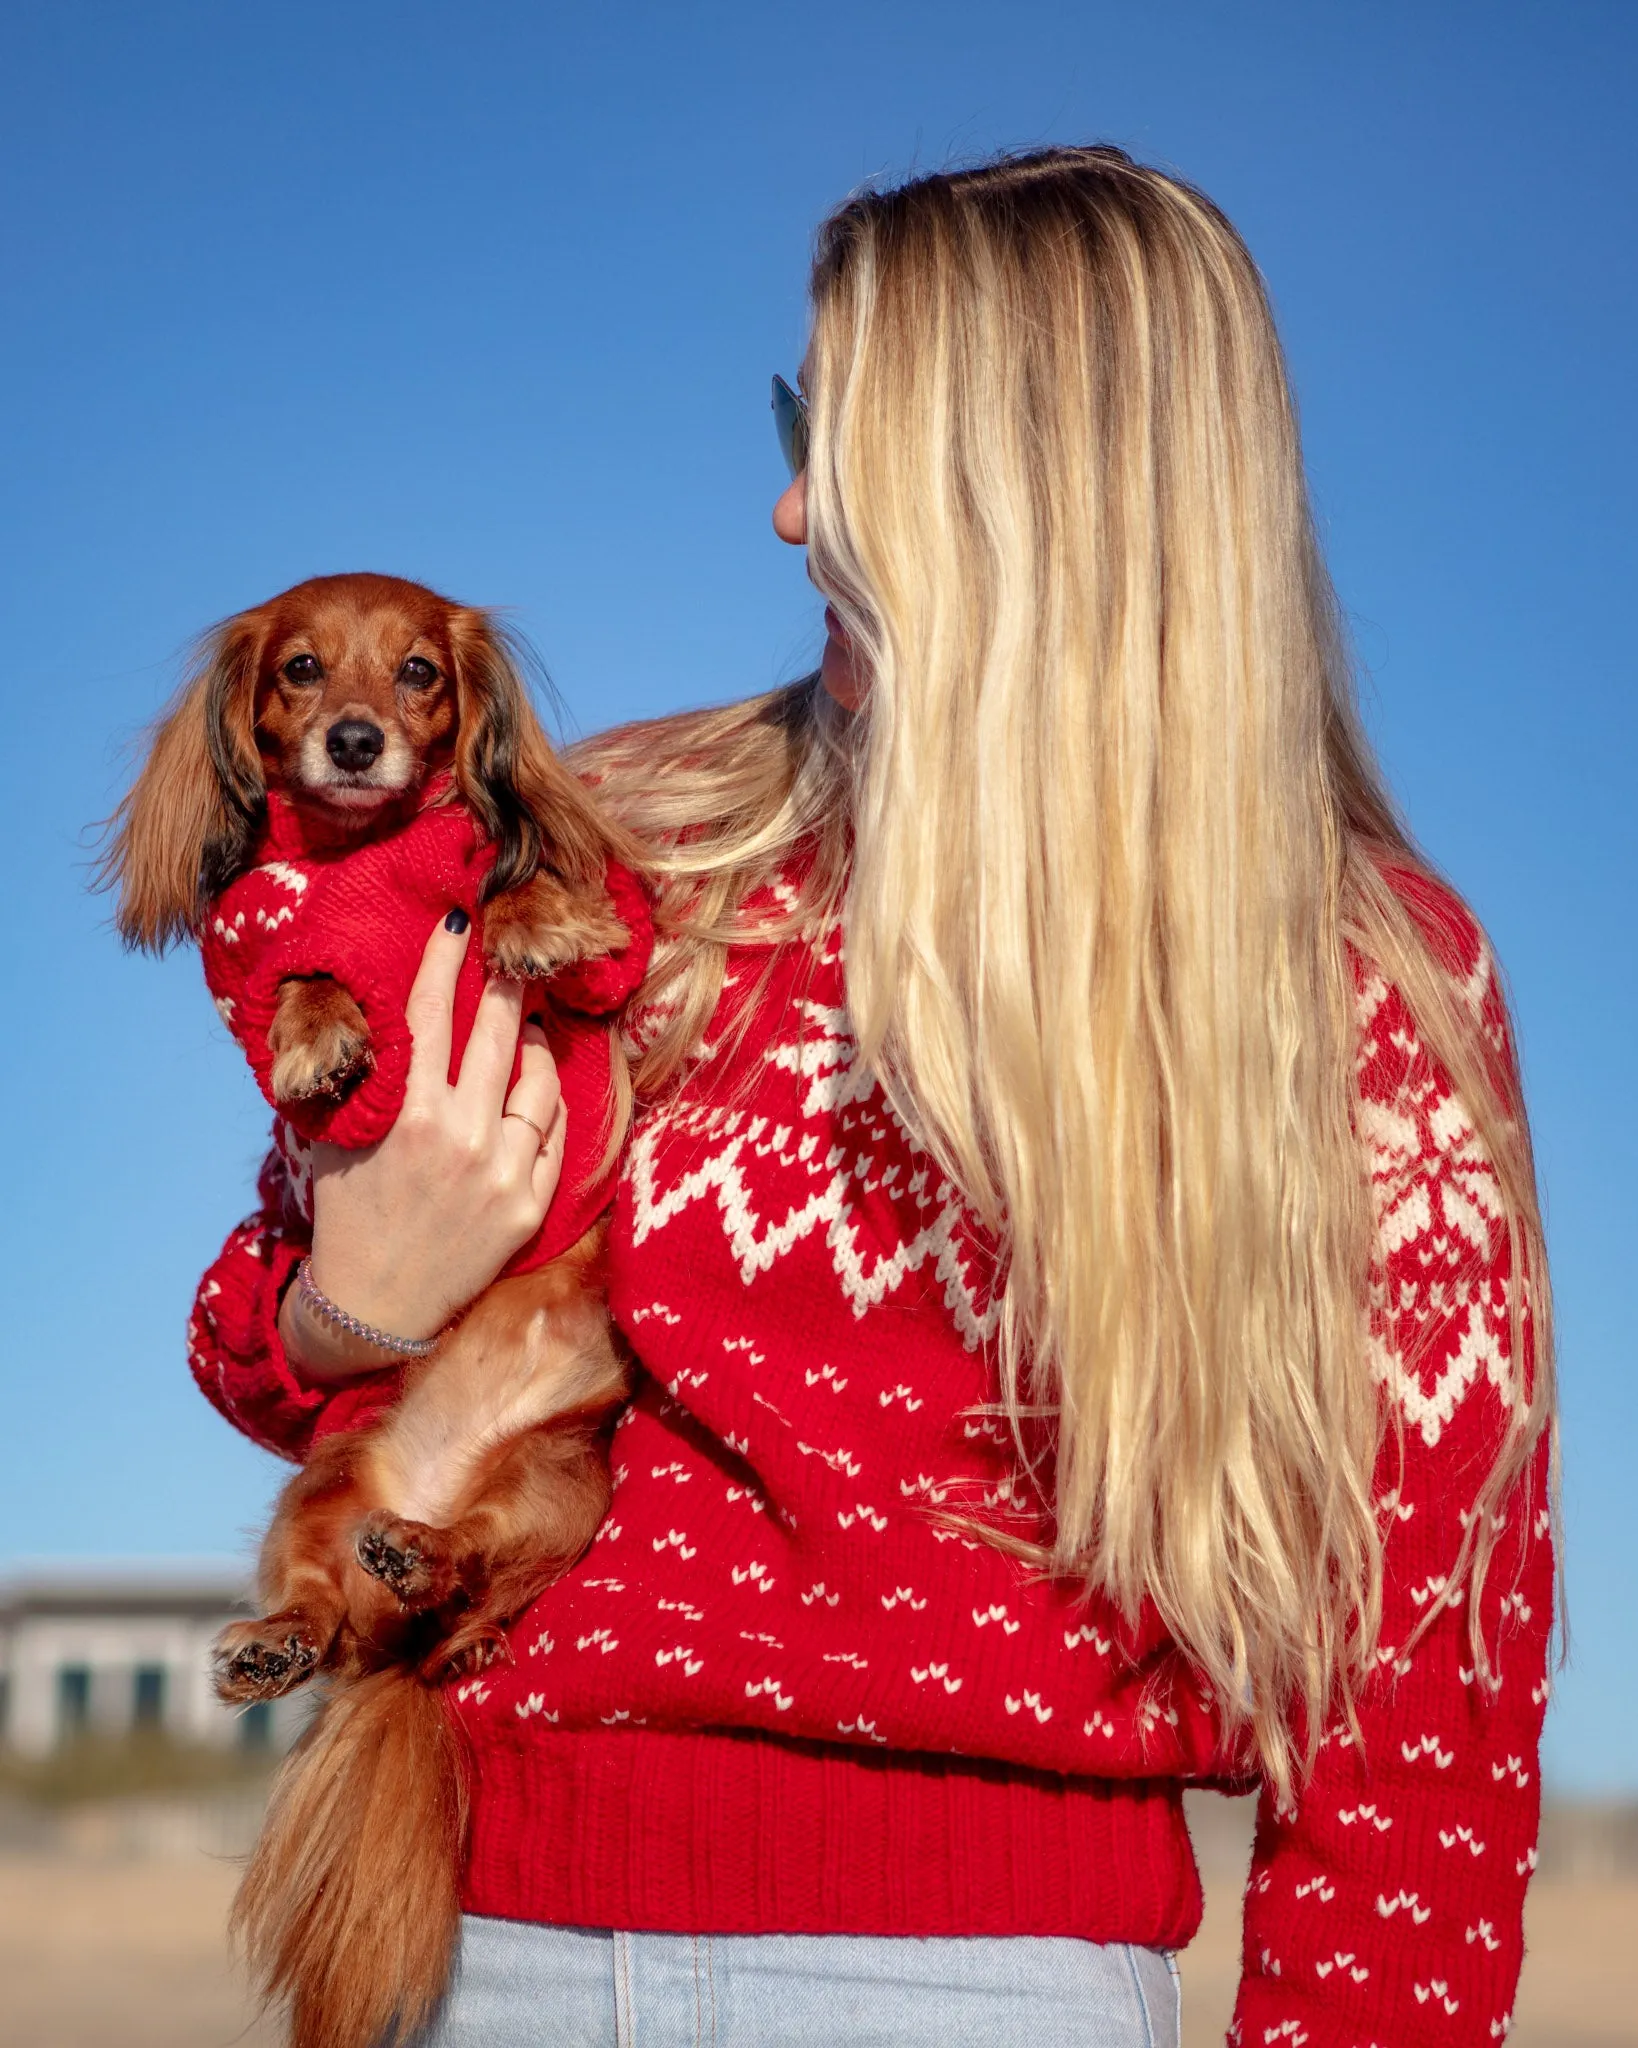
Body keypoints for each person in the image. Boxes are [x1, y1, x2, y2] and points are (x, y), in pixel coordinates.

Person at [190, 147, 1555, 2047]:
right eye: (789, 423)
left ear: (1057, 492)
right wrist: (354, 1298)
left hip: (975, 1983)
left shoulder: (1351, 978)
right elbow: (260, 1350)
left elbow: (1418, 1702)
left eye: (851, 445)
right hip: (469, 1936)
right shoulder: (628, 842)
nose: (785, 506)